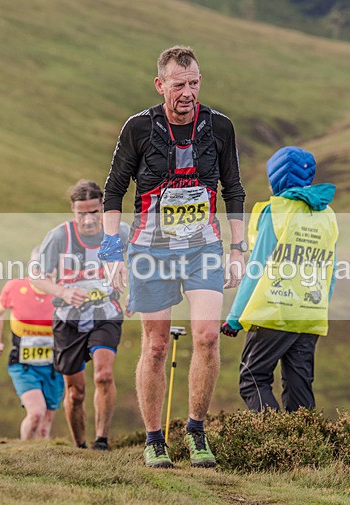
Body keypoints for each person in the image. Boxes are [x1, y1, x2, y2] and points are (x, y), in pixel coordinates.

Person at [100, 45, 246, 468]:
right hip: (151, 250)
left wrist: (238, 249)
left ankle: (196, 432)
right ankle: (153, 440)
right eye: (179, 84)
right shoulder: (138, 129)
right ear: (160, 85)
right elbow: (113, 192)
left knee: (206, 336)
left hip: (203, 247)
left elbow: (233, 190)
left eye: (195, 83)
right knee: (158, 345)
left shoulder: (219, 127)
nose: (188, 92)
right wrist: (112, 253)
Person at [222, 146, 338, 413]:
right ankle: (304, 445)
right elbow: (330, 272)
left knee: (253, 379)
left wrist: (235, 317)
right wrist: (320, 308)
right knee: (299, 385)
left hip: (274, 310)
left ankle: (275, 439)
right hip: (310, 314)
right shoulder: (328, 215)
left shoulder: (275, 211)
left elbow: (257, 267)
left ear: (276, 177)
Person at [32, 180, 129, 451]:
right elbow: (37, 276)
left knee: (104, 376)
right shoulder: (59, 236)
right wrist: (63, 292)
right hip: (68, 318)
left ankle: (101, 440)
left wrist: (135, 294)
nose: (88, 220)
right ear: (73, 211)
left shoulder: (120, 231)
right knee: (75, 393)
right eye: (81, 213)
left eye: (94, 212)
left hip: (105, 313)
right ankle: (80, 445)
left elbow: (141, 264)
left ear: (102, 208)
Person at [0, 249, 64, 440]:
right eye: (36, 266)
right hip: (23, 365)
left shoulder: (64, 293)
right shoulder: (15, 288)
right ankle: (25, 451)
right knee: (36, 414)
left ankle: (40, 460)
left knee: (46, 423)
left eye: (47, 266)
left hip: (55, 367)